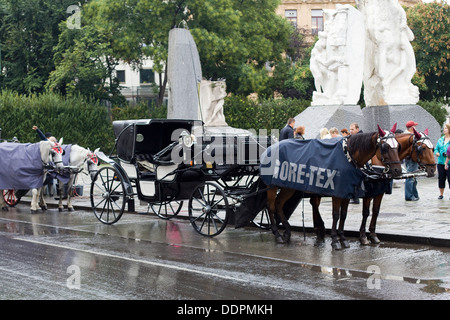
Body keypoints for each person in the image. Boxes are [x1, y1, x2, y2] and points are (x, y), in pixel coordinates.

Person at [404, 120, 419, 201]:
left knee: (414, 177)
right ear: (411, 128)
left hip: (412, 159)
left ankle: (414, 194)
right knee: (410, 177)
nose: (416, 128)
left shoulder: (409, 135)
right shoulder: (408, 136)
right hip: (410, 159)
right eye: (414, 126)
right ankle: (409, 195)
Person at [435, 124, 450, 199]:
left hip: (449, 163)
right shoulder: (440, 140)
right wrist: (437, 153)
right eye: (444, 128)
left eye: (446, 128)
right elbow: (436, 149)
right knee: (441, 178)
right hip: (440, 162)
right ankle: (441, 194)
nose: (444, 130)